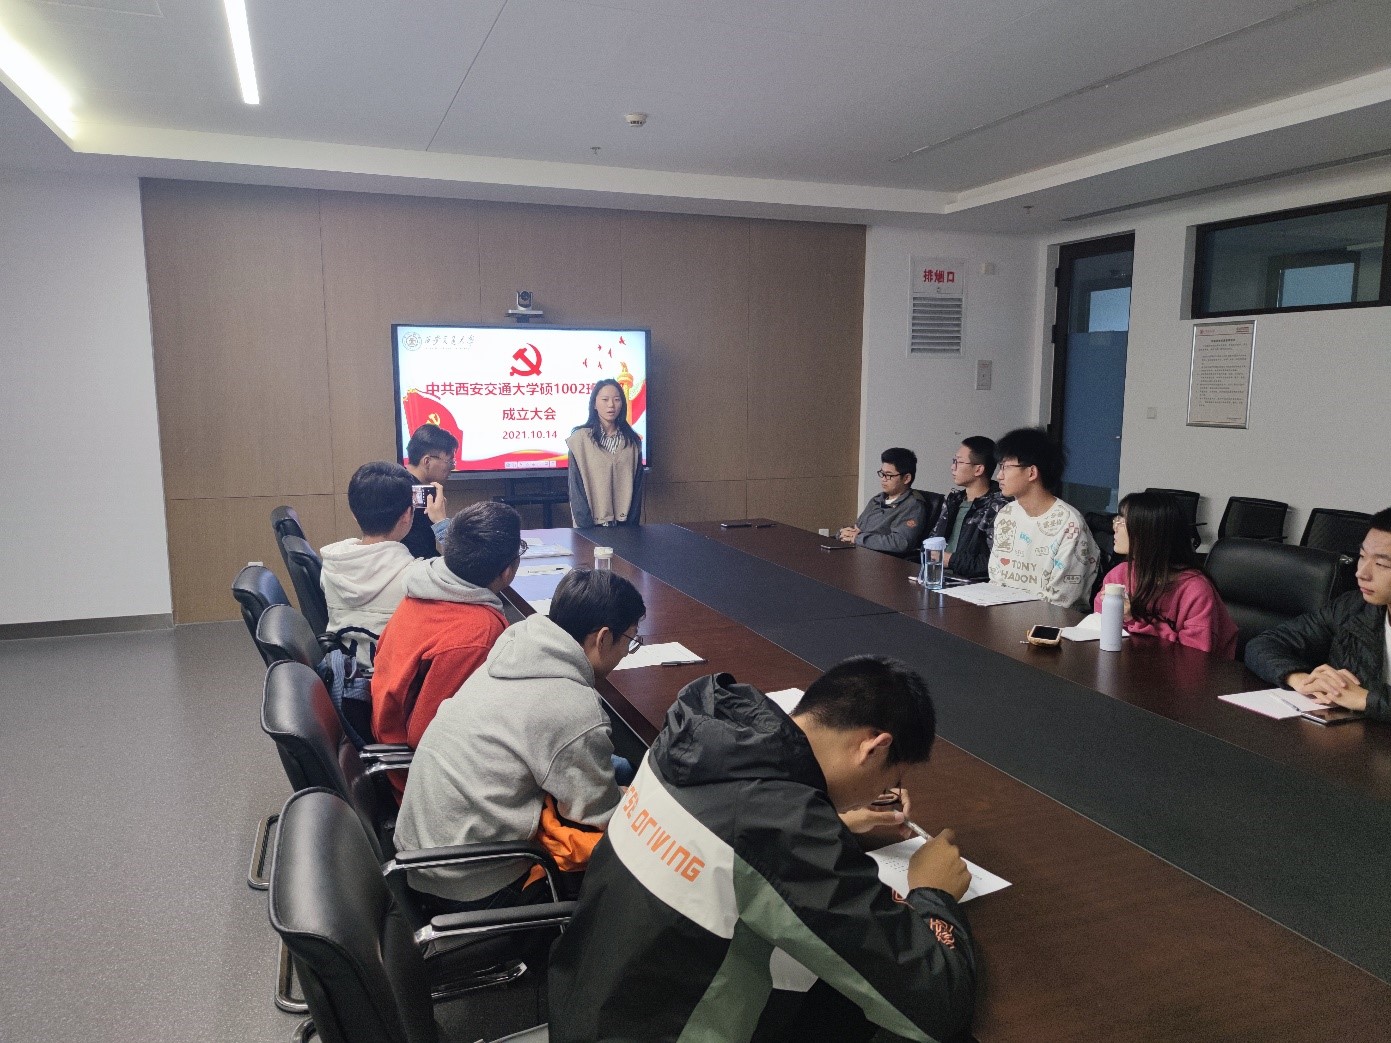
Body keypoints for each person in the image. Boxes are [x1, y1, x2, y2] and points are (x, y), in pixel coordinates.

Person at [548, 656, 977, 1043]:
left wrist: (833, 824)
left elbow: (733, 829)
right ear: (874, 747)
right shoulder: (785, 826)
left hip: (579, 1003)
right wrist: (933, 892)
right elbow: (937, 1002)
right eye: (891, 781)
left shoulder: (695, 732)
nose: (886, 793)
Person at [395, 568, 647, 910]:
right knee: (631, 853)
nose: (627, 651)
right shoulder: (574, 708)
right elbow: (597, 815)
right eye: (630, 640)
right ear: (603, 638)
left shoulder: (513, 652)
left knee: (619, 768)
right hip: (470, 883)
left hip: (421, 852)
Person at [370, 501, 521, 797]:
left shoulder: (423, 588)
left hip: (387, 736)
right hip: (425, 781)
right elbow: (428, 736)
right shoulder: (476, 633)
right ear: (506, 572)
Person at [1245, 507, 1391, 721]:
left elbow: (1365, 699)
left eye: (1382, 564)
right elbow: (1263, 644)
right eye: (1362, 556)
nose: (1361, 573)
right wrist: (1300, 679)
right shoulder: (1351, 608)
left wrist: (1366, 699)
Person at [319, 461, 448, 665]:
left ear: (354, 514)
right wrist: (441, 523)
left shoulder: (330, 567)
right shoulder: (417, 578)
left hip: (346, 674)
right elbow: (468, 577)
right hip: (398, 679)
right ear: (407, 515)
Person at [1094, 491, 1238, 657]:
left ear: (1148, 532)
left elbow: (1194, 656)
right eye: (1116, 519)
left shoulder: (1195, 589)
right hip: (1133, 663)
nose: (1114, 527)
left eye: (1122, 522)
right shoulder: (1119, 575)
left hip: (1189, 670)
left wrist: (1134, 619)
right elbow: (1098, 622)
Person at [987, 427, 1099, 609]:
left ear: (1031, 472)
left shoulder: (1069, 524)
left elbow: (1061, 600)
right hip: (1002, 613)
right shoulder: (1007, 514)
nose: (999, 476)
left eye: (1006, 467)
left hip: (1051, 622)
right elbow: (996, 578)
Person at [929, 436, 1009, 580]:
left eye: (959, 462)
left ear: (978, 469)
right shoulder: (954, 500)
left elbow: (995, 562)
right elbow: (933, 540)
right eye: (954, 461)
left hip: (969, 583)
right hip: (938, 575)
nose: (953, 467)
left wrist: (951, 560)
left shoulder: (998, 507)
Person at [567, 378, 644, 527]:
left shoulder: (632, 442)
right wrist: (586, 529)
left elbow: (637, 489)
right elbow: (576, 489)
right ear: (594, 404)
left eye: (617, 400)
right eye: (605, 399)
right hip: (590, 527)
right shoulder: (579, 440)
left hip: (625, 527)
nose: (611, 405)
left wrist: (631, 528)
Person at [839, 447, 929, 556]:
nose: (883, 479)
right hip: (859, 552)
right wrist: (844, 533)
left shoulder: (913, 505)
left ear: (906, 478)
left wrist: (859, 538)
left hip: (883, 560)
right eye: (882, 474)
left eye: (889, 475)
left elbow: (900, 542)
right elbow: (858, 528)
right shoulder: (877, 499)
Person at [401, 423, 458, 558]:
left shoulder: (399, 482)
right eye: (449, 462)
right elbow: (422, 550)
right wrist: (441, 520)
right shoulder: (414, 493)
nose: (452, 467)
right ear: (427, 461)